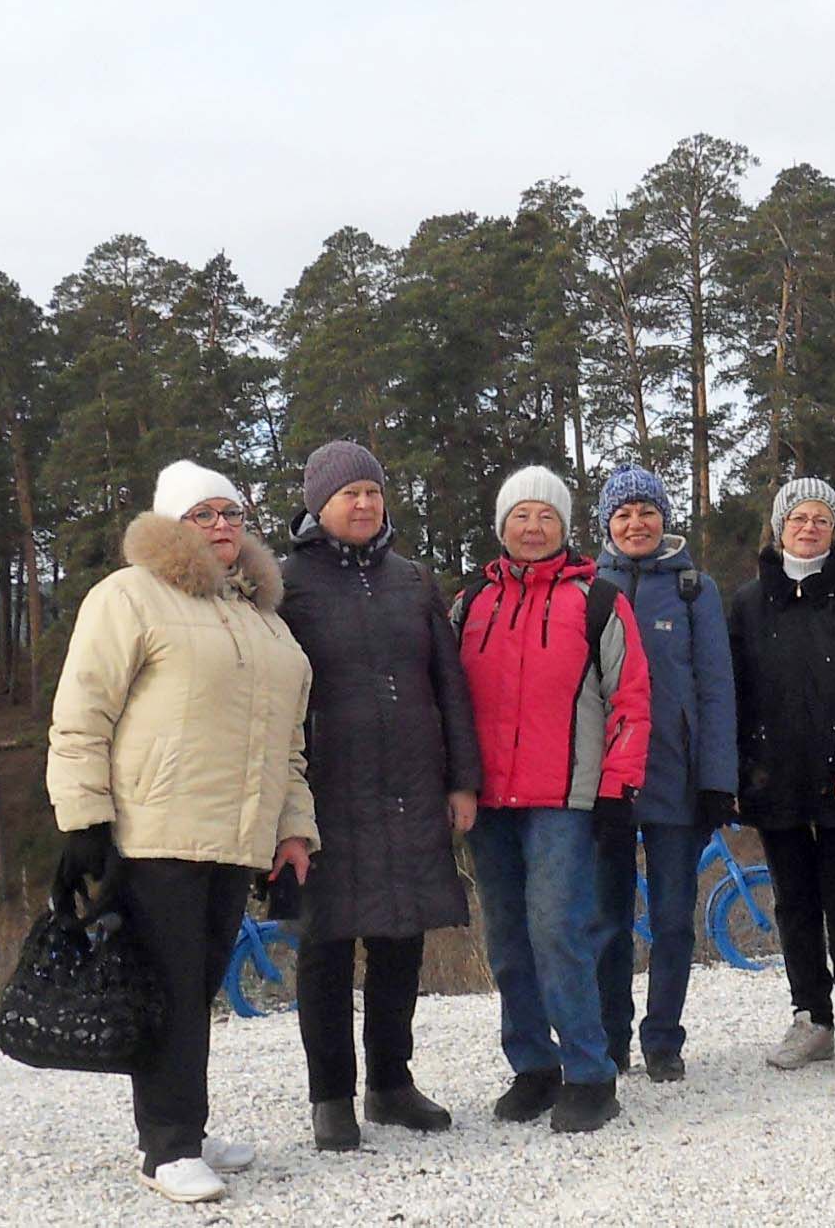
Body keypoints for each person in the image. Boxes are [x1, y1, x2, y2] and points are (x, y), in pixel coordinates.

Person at [46, 460, 317, 1206]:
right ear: (172, 524)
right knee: (164, 985)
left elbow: (287, 743)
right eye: (203, 514)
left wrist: (292, 831)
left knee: (196, 985)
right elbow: (82, 711)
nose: (222, 525)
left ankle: (184, 1129)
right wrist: (84, 817)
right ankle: (166, 1146)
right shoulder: (128, 597)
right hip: (157, 828)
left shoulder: (262, 617)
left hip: (236, 835)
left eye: (230, 511)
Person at [272, 441, 478, 1151]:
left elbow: (448, 685)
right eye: (347, 493)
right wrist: (280, 802)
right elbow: (273, 699)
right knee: (325, 944)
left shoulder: (412, 579)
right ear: (316, 503)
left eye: (372, 491)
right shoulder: (285, 582)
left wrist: (461, 779)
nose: (363, 504)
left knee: (401, 937)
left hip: (413, 784)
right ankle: (330, 1095)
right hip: (326, 790)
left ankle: (390, 1082)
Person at [451, 465, 651, 1135]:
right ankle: (532, 1064)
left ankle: (590, 1071)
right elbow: (447, 701)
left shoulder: (597, 600)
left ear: (564, 526)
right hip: (489, 802)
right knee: (506, 938)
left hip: (564, 797)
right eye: (520, 515)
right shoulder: (470, 601)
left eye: (545, 516)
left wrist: (618, 786)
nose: (532, 527)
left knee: (557, 931)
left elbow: (630, 700)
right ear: (501, 525)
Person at [727, 477, 835, 1084]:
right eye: (798, 518)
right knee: (794, 903)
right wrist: (741, 768)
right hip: (775, 779)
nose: (809, 528)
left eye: (821, 519)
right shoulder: (750, 602)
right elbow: (734, 693)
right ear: (778, 528)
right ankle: (811, 1016)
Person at [588, 464, 738, 1084]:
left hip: (678, 779)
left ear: (663, 518)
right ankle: (611, 1036)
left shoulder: (693, 588)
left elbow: (717, 688)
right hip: (606, 785)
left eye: (645, 511)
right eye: (622, 514)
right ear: (606, 525)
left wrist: (718, 781)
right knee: (606, 919)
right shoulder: (588, 586)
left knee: (674, 918)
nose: (635, 523)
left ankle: (663, 1038)